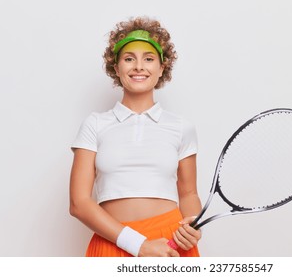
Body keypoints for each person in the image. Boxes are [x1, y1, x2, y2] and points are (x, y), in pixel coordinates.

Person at [69, 16, 202, 257]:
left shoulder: (181, 127)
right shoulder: (95, 124)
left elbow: (188, 194)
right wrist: (138, 244)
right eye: (129, 58)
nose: (139, 66)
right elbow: (79, 203)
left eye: (149, 59)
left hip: (170, 241)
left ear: (162, 68)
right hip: (112, 241)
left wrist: (193, 223)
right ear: (116, 68)